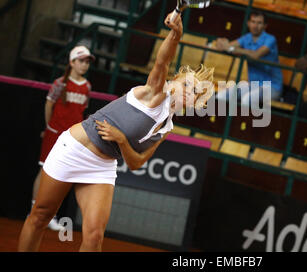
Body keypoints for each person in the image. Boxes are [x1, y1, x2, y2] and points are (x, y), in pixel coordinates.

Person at [18, 14, 215, 252]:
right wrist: (176, 35)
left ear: (196, 102)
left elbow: (136, 163)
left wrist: (121, 140)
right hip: (74, 148)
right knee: (40, 215)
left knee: (94, 237)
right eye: (186, 84)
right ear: (174, 81)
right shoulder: (153, 92)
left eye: (195, 91)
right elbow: (162, 61)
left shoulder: (167, 127)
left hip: (102, 166)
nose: (189, 91)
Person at [30, 45, 94, 231]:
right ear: (72, 62)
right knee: (44, 171)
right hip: (55, 134)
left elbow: (82, 111)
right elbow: (49, 104)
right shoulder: (60, 83)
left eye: (87, 62)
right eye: (81, 61)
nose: (84, 65)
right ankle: (34, 210)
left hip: (73, 139)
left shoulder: (87, 86)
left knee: (63, 176)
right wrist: (49, 126)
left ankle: (50, 215)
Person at [214, 11, 283, 105]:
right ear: (248, 23)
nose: (255, 26)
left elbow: (256, 55)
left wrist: (234, 49)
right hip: (253, 85)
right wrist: (221, 41)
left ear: (265, 26)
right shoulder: (247, 37)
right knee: (221, 95)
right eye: (253, 22)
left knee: (247, 100)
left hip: (271, 87)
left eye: (259, 23)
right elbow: (226, 47)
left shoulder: (270, 39)